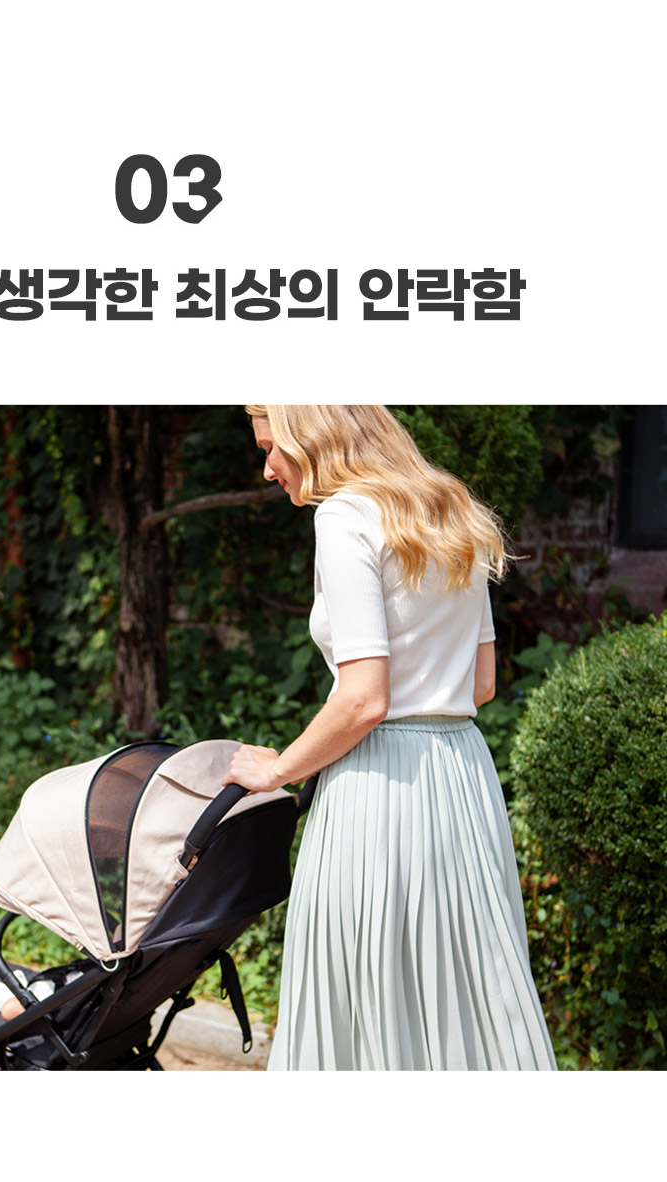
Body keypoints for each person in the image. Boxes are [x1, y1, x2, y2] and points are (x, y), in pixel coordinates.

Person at [225, 405, 556, 1071]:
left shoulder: (344, 516)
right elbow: (482, 683)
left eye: (271, 447)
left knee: (366, 994)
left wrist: (278, 770)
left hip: (377, 789)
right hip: (461, 780)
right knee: (471, 989)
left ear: (312, 434)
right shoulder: (451, 509)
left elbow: (363, 699)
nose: (267, 469)